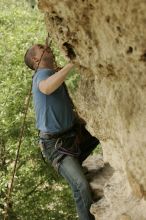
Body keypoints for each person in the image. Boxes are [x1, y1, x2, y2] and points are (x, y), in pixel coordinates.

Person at [24, 43, 98, 220]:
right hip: (56, 146)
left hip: (70, 137)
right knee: (80, 185)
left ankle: (75, 166)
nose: (46, 47)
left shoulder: (50, 73)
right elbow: (47, 88)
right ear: (36, 59)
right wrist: (72, 64)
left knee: (101, 135)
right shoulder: (41, 75)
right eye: (41, 48)